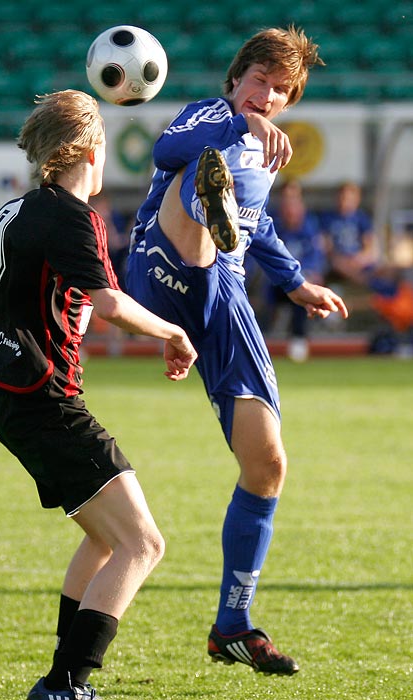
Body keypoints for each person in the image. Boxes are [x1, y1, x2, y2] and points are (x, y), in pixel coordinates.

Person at [0, 89, 197, 700]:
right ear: (90, 149)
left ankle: (63, 679)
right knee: (143, 544)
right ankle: (65, 684)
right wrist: (173, 332)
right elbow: (110, 304)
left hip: (12, 402)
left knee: (103, 538)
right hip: (48, 406)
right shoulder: (72, 215)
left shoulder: (13, 211)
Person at [127, 26, 348, 676]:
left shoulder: (266, 148)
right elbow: (168, 145)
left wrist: (294, 282)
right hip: (162, 263)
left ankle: (232, 625)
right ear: (235, 79)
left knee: (266, 464)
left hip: (224, 296)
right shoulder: (214, 114)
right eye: (260, 81)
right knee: (201, 172)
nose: (269, 95)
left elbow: (261, 227)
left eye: (281, 91)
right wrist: (238, 130)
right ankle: (207, 201)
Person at [263, 179, 327, 361]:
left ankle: (299, 338)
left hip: (301, 280)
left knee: (303, 292)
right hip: (276, 283)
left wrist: (304, 276)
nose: (291, 213)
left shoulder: (310, 229)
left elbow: (316, 258)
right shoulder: (269, 225)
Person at [320, 180, 378, 285]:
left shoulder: (362, 219)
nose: (344, 202)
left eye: (348, 199)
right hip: (337, 262)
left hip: (357, 261)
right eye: (342, 198)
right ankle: (362, 282)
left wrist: (358, 259)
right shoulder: (327, 218)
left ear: (357, 199)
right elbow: (326, 247)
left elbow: (369, 247)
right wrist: (340, 260)